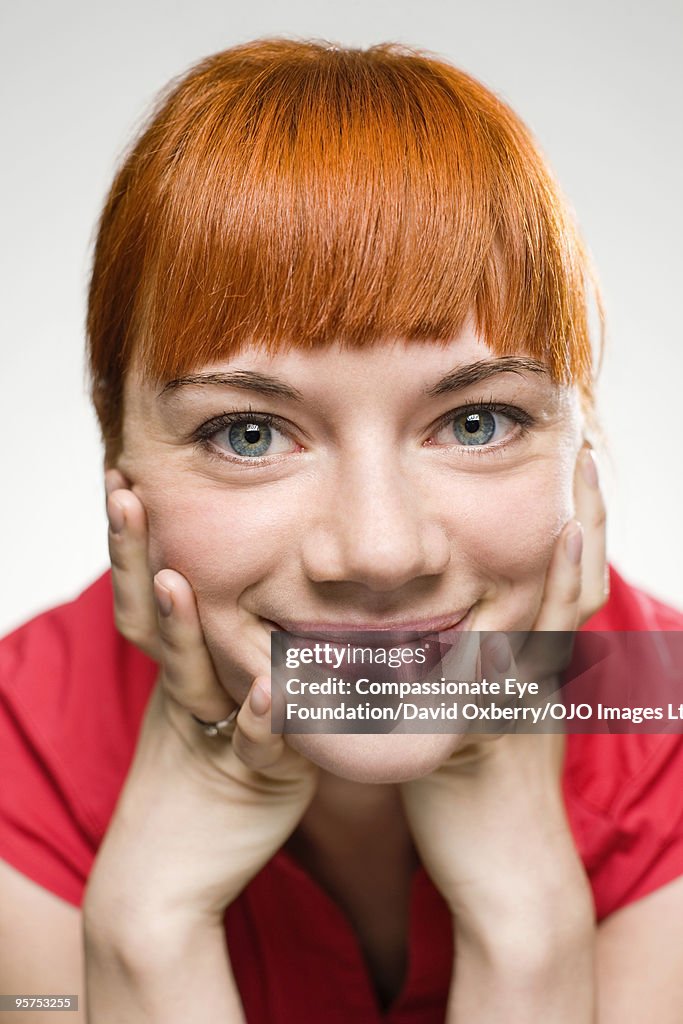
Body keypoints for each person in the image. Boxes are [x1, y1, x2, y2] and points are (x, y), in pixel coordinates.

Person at [1, 37, 683, 1024]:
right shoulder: (26, 743)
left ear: (576, 450)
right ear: (121, 463)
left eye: (474, 421)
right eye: (248, 432)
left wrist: (525, 923)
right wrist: (145, 931)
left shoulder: (661, 729)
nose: (378, 552)